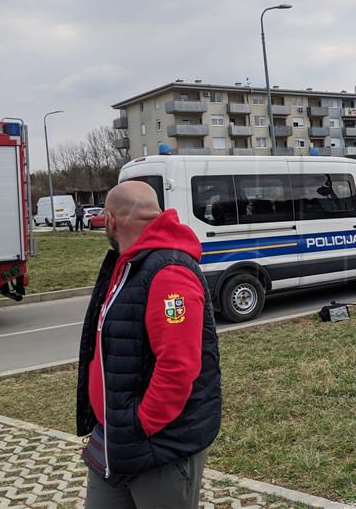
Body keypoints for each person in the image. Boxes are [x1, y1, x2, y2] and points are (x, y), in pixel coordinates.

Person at [77, 181, 221, 509]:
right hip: (115, 440)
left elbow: (178, 366)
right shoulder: (130, 264)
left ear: (111, 221)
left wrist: (141, 423)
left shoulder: (168, 273)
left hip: (157, 447)